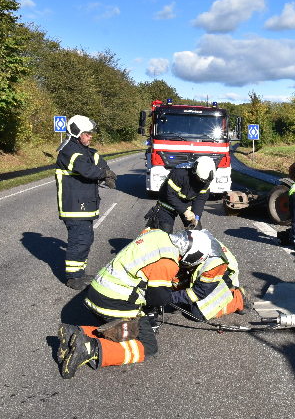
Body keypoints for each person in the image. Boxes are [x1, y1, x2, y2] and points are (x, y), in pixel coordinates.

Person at [57, 228, 214, 379]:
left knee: (123, 327)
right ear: (191, 256)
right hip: (114, 303)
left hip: (96, 291)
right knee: (147, 345)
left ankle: (74, 332)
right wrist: (169, 294)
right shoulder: (168, 262)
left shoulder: (156, 234)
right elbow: (157, 299)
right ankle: (91, 348)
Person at [55, 115, 117, 290]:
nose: (91, 137)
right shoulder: (69, 151)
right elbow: (87, 170)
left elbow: (96, 158)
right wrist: (105, 174)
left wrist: (107, 170)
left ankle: (80, 272)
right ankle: (73, 278)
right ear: (77, 133)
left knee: (86, 239)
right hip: (74, 206)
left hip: (83, 204)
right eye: (87, 134)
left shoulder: (83, 149)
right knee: (79, 240)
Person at [170, 235, 252, 320]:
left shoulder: (212, 264)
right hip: (203, 270)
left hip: (222, 275)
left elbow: (199, 292)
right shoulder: (184, 242)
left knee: (197, 313)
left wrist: (170, 297)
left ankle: (238, 298)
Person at [146, 156, 216, 233]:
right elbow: (170, 195)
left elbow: (201, 199)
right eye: (200, 179)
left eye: (204, 181)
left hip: (186, 204)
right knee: (165, 232)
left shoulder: (206, 180)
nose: (202, 183)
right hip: (167, 203)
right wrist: (184, 211)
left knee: (196, 231)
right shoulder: (179, 174)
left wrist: (196, 216)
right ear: (194, 171)